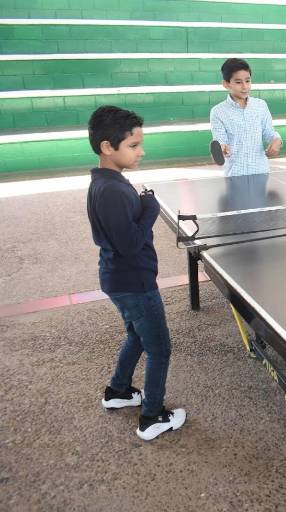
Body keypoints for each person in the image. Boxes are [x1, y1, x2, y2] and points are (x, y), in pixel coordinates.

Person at [86, 106, 186, 441]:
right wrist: (150, 210)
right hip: (135, 282)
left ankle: (117, 391)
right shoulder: (112, 191)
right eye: (133, 145)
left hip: (119, 279)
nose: (141, 151)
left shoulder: (105, 182)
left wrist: (140, 205)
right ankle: (152, 417)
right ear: (107, 147)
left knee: (137, 336)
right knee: (159, 348)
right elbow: (129, 244)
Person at [210, 58, 282, 176]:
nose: (245, 86)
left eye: (247, 81)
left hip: (261, 173)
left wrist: (276, 140)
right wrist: (222, 148)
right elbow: (220, 140)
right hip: (235, 176)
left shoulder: (261, 105)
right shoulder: (218, 112)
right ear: (226, 84)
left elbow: (268, 132)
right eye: (238, 82)